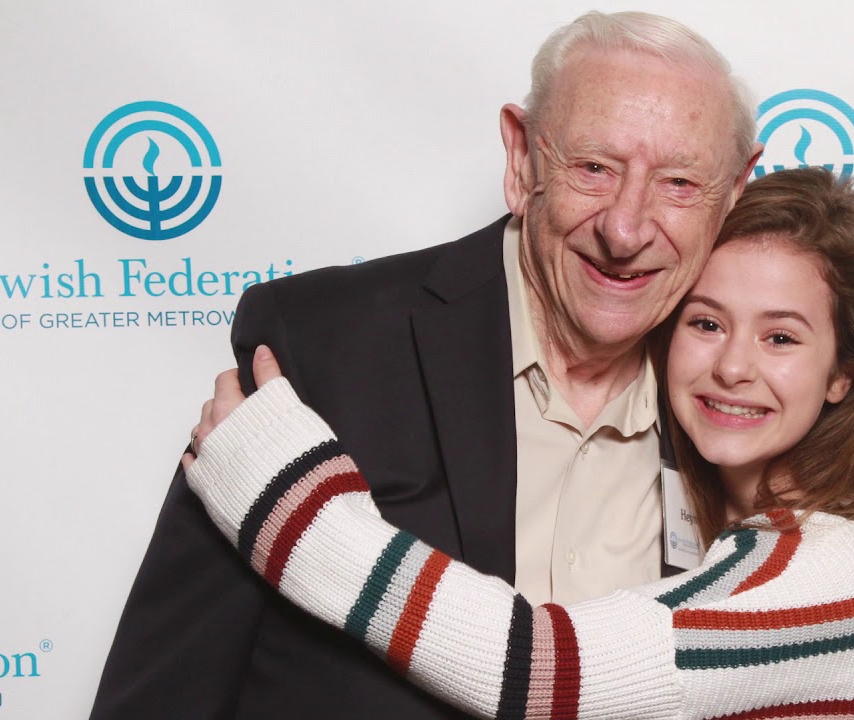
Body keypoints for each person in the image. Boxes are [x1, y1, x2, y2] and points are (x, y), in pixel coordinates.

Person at [90, 11, 762, 720]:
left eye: (680, 183)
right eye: (594, 168)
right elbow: (162, 693)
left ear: (735, 192)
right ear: (522, 158)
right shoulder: (321, 348)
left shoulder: (745, 404)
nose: (625, 229)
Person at [184, 169, 854, 719]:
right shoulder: (779, 539)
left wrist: (294, 502)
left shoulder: (835, 565)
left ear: (844, 373)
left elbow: (536, 668)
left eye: (781, 337)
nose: (733, 367)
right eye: (707, 323)